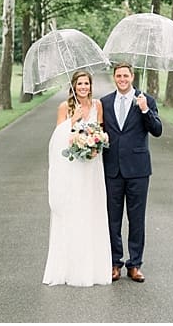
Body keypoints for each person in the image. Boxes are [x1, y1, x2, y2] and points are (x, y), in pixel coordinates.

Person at [42, 69, 112, 287]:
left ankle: (95, 268)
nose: (83, 87)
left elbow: (100, 131)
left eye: (86, 84)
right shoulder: (65, 107)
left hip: (92, 167)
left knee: (93, 210)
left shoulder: (97, 106)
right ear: (73, 86)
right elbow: (57, 141)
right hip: (74, 169)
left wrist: (96, 144)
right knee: (75, 210)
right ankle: (70, 267)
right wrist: (73, 120)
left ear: (91, 86)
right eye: (80, 84)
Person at [100, 61, 163, 283]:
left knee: (136, 219)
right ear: (114, 77)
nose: (122, 79)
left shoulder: (146, 100)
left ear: (132, 77)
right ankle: (115, 263)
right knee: (112, 219)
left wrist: (145, 109)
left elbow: (157, 130)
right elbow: (99, 131)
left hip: (138, 170)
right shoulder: (105, 102)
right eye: (119, 76)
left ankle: (135, 264)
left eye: (126, 76)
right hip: (112, 169)